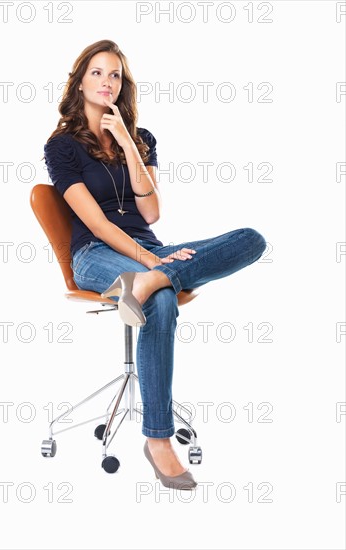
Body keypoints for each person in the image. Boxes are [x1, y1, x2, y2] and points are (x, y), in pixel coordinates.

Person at [43, 39, 267, 490]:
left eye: (116, 76)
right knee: (160, 295)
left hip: (149, 249)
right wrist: (150, 263)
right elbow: (97, 225)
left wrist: (127, 141)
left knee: (251, 239)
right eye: (98, 73)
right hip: (96, 256)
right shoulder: (61, 147)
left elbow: (151, 215)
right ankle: (158, 441)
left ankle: (153, 282)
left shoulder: (142, 139)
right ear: (80, 81)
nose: (107, 82)